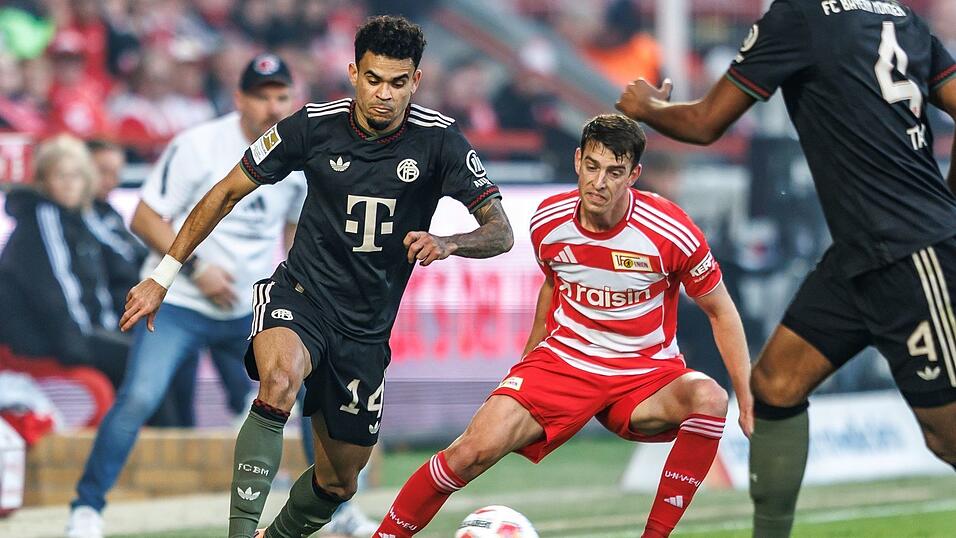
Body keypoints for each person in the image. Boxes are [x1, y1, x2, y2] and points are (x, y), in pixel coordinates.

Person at [119, 15, 514, 538]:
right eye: (373, 79)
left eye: (398, 83)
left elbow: (502, 232)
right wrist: (163, 275)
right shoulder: (312, 125)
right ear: (353, 72)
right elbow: (225, 192)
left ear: (415, 82)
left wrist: (449, 242)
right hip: (300, 297)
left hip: (367, 330)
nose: (384, 95)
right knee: (279, 380)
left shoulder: (439, 142)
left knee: (339, 481)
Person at [615, 2, 956, 536]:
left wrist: (648, 107)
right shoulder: (903, 18)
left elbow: (706, 123)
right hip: (859, 256)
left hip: (909, 254)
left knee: (946, 438)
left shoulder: (798, 16)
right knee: (775, 386)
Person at [374, 114, 752, 538]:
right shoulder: (548, 221)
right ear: (577, 161)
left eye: (614, 172)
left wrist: (749, 397)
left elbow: (722, 311)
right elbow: (553, 286)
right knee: (468, 453)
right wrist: (525, 363)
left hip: (645, 375)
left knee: (710, 397)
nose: (599, 182)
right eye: (592, 166)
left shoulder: (671, 230)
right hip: (564, 364)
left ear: (634, 175)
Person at [66, 53, 311, 538]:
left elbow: (291, 234)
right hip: (181, 302)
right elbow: (145, 216)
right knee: (138, 397)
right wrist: (196, 270)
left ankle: (334, 507)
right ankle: (86, 509)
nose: (272, 106)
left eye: (281, 96)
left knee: (298, 398)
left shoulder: (300, 154)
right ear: (239, 98)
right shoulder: (198, 145)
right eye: (261, 96)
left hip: (250, 308)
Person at [0, 134, 128, 387]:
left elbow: (103, 278)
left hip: (79, 332)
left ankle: (168, 427)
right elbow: (56, 291)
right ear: (44, 181)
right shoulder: (42, 219)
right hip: (44, 339)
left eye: (76, 176)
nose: (70, 184)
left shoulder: (79, 218)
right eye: (61, 176)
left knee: (156, 355)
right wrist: (82, 345)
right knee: (141, 360)